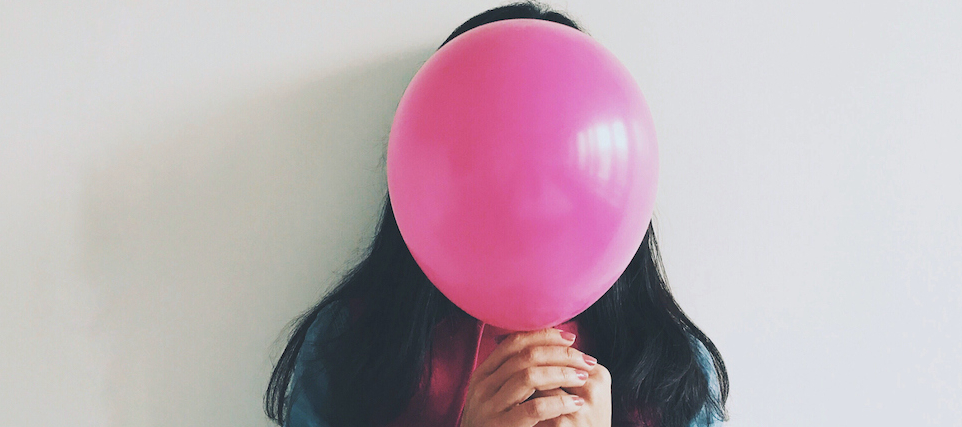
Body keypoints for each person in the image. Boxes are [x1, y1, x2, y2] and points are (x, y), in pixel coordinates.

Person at [264, 2, 728, 426]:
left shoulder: (672, 371)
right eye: (499, 156)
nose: (528, 191)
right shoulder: (347, 348)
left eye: (555, 161)